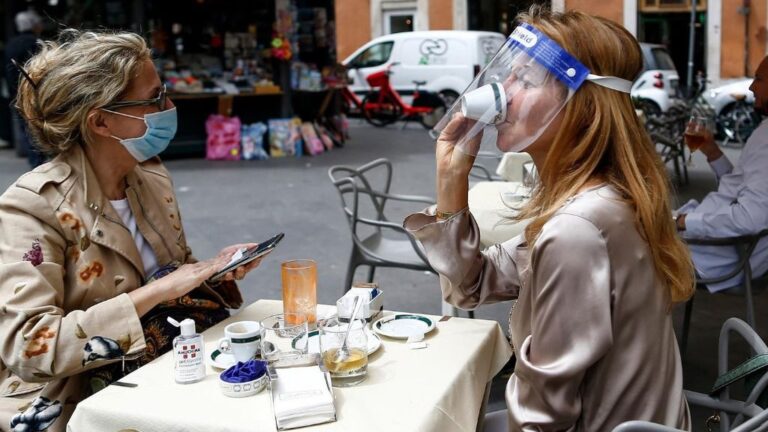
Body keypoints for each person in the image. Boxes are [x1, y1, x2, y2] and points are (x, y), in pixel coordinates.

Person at [404, 8, 694, 431]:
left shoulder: (580, 227)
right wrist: (452, 178)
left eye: (524, 78)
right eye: (508, 73)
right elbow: (471, 284)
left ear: (583, 103)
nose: (501, 91)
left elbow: (541, 420)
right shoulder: (601, 199)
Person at [0, 30, 261, 431]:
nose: (169, 107)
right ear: (100, 121)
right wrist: (160, 290)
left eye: (165, 93)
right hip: (80, 404)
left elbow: (175, 273)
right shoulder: (33, 206)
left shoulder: (150, 177)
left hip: (169, 372)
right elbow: (31, 348)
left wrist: (215, 269)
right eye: (154, 98)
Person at [675, 55, 768, 292]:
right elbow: (738, 189)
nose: (751, 87)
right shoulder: (764, 131)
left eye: (759, 79)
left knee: (619, 247)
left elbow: (750, 218)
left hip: (715, 261)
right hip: (713, 249)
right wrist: (712, 151)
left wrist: (684, 222)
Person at [4, 9, 46, 167]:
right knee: (37, 126)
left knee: (26, 127)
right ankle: (38, 161)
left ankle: (35, 161)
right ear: (34, 25)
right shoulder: (35, 42)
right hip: (34, 92)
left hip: (16, 92)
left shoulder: (11, 43)